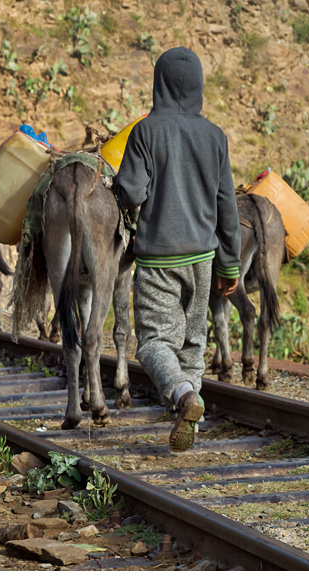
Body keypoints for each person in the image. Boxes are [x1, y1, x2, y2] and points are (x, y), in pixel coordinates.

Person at [113, 47, 240, 452]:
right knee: (192, 344)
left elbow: (132, 192)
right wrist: (230, 263)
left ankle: (184, 398)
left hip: (159, 259)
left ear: (159, 83)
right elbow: (227, 205)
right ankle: (192, 416)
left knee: (153, 343)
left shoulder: (146, 131)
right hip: (203, 259)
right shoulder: (215, 136)